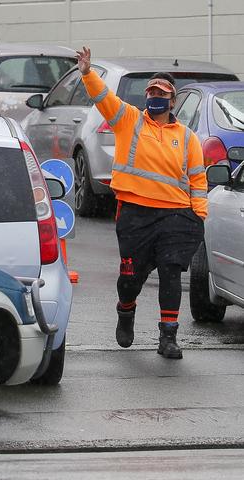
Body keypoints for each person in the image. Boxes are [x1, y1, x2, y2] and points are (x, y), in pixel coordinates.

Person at [76, 46, 208, 359]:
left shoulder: (188, 138)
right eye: (151, 91)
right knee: (130, 279)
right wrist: (86, 73)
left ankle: (168, 337)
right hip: (135, 215)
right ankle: (126, 309)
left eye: (161, 92)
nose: (154, 96)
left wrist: (198, 215)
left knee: (171, 273)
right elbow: (104, 98)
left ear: (172, 100)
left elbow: (198, 180)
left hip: (175, 216)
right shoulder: (129, 120)